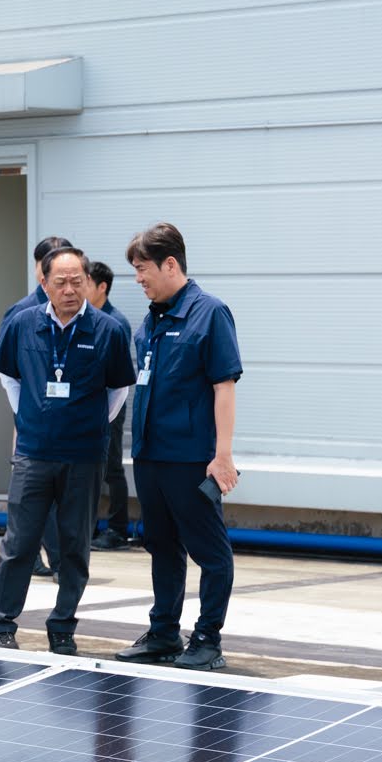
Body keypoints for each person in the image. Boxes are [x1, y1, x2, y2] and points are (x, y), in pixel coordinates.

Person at [0, 248, 136, 651]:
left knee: (74, 545)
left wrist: (88, 425)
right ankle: (1, 623)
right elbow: (9, 378)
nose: (69, 289)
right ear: (44, 283)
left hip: (84, 455)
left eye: (76, 281)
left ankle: (63, 624)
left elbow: (118, 389)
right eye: (60, 282)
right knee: (19, 542)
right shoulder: (22, 324)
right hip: (34, 453)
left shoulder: (109, 330)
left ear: (88, 281)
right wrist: (32, 417)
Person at [118, 224, 241, 671]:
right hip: (151, 456)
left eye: (143, 269)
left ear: (171, 264)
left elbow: (223, 386)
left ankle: (208, 639)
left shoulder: (210, 313)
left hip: (190, 458)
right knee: (162, 546)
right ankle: (164, 633)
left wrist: (221, 454)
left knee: (211, 552)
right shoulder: (150, 319)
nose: (139, 279)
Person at [88, 258, 135, 550]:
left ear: (102, 287)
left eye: (85, 283)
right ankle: (89, 527)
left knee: (112, 468)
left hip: (110, 406)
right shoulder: (85, 317)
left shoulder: (115, 322)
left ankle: (118, 529)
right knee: (89, 468)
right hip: (87, 407)